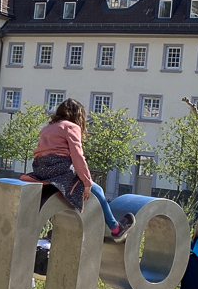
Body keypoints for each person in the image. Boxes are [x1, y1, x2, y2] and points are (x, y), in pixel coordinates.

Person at [27, 98, 135, 242]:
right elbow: (77, 155)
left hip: (42, 171)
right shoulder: (71, 127)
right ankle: (115, 229)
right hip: (60, 170)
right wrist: (87, 181)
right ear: (78, 115)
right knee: (96, 191)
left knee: (68, 196)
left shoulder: (47, 128)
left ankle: (58, 230)